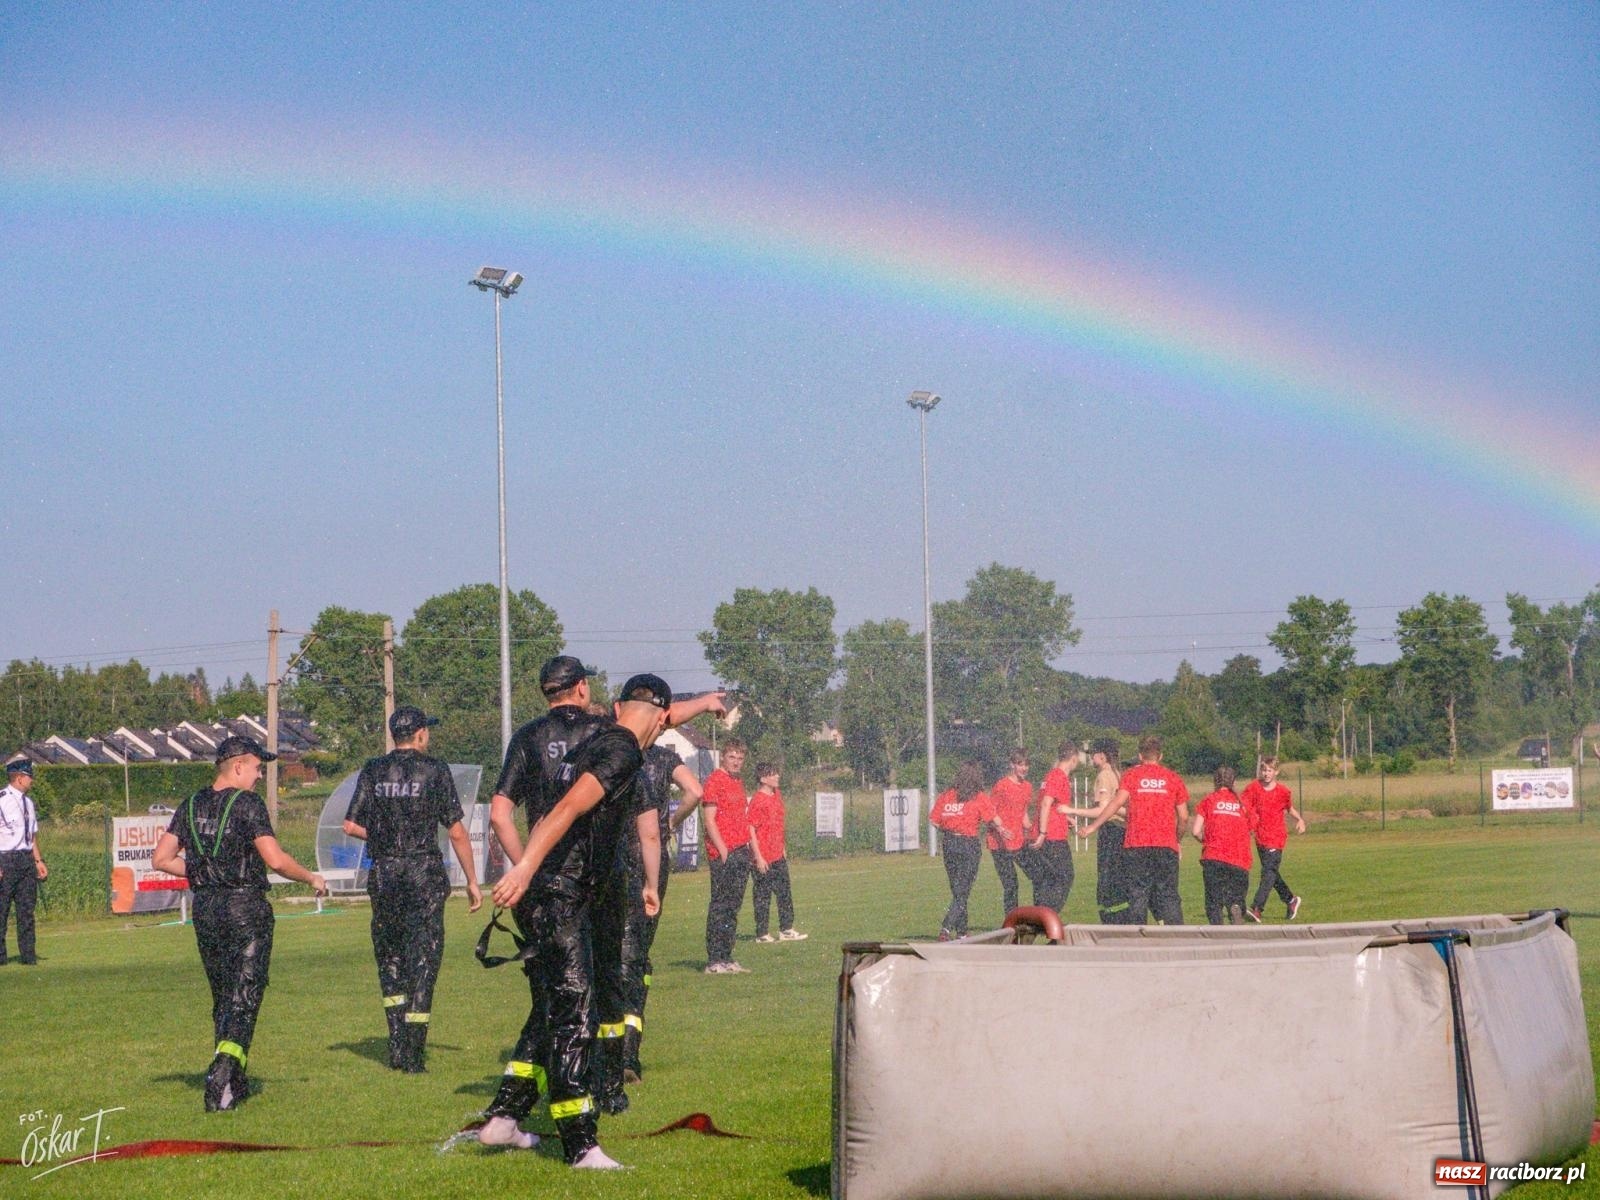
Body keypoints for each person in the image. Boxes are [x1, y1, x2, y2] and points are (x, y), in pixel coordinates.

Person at [479, 663, 722, 1166]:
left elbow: (517, 811)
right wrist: (525, 868)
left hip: (561, 890)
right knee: (575, 1010)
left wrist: (528, 865)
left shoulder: (568, 737)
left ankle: (505, 1116)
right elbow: (567, 808)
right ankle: (581, 1144)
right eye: (665, 723)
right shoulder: (618, 747)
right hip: (563, 892)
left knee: (552, 1004)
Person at [151, 736, 327, 1111]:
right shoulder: (247, 804)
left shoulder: (191, 804)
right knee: (245, 995)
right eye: (258, 768)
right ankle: (222, 1071)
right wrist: (311, 877)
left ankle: (235, 1081)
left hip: (206, 910)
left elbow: (161, 858)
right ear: (237, 767)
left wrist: (202, 872)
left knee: (223, 998)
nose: (260, 776)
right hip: (244, 908)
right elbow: (275, 860)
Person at [341, 705, 483, 1072]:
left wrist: (385, 838)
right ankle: (415, 1054)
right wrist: (471, 880)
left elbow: (350, 825)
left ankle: (396, 1048)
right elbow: (455, 830)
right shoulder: (435, 770)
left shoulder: (373, 770)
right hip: (423, 870)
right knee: (425, 955)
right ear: (419, 734)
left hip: (386, 872)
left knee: (390, 955)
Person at [620, 742, 703, 1083]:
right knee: (639, 954)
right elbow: (695, 791)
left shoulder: (613, 750)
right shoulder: (664, 757)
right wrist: (671, 819)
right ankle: (629, 1053)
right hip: (652, 861)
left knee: (610, 952)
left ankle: (606, 1050)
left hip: (615, 858)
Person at [1080, 734, 1188, 925]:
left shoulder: (1131, 776)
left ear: (1140, 756)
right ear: (1160, 756)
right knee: (1168, 894)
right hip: (1165, 845)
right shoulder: (1173, 778)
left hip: (1137, 845)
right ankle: (1178, 939)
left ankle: (1137, 940)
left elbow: (1114, 804)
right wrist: (1177, 840)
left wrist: (1093, 827)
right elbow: (1184, 817)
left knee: (1138, 894)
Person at [701, 738, 767, 974]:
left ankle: (727, 956)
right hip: (724, 852)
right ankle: (714, 959)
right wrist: (722, 850)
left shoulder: (737, 781)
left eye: (740, 758)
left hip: (741, 849)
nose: (736, 762)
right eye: (732, 757)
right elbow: (709, 819)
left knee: (733, 907)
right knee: (720, 905)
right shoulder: (714, 781)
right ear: (723, 757)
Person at [929, 762, 1000, 939]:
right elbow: (993, 818)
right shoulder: (978, 796)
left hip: (949, 843)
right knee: (963, 890)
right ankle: (946, 928)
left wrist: (950, 826)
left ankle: (962, 932)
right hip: (969, 845)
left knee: (958, 890)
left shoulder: (947, 795)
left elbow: (934, 821)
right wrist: (1004, 829)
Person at [1073, 739, 1132, 924]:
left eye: (1093, 754)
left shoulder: (1104, 775)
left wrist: (1072, 810)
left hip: (1111, 830)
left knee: (1107, 877)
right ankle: (1120, 915)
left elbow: (1103, 809)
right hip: (1121, 830)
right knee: (1118, 875)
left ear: (1102, 756)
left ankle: (1111, 919)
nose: (1091, 758)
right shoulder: (1117, 773)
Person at [1242, 756, 1305, 921]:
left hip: (1276, 838)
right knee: (1272, 874)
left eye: (1269, 770)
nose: (1266, 773)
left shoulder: (1283, 792)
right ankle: (1291, 900)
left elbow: (1289, 808)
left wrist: (1300, 819)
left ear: (1276, 772)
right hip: (1260, 837)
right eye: (1264, 770)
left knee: (1268, 873)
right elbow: (1244, 806)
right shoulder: (1253, 788)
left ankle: (1256, 908)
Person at [748, 761, 804, 943]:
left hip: (777, 854)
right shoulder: (758, 800)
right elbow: (751, 829)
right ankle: (762, 933)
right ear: (763, 779)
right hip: (763, 856)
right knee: (762, 896)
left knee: (784, 893)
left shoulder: (776, 795)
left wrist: (783, 847)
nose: (777, 776)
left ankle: (786, 929)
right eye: (773, 774)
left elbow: (778, 824)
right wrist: (758, 857)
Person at [1191, 765, 1255, 925]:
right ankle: (1236, 906)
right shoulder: (1243, 803)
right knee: (1236, 895)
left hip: (1214, 856)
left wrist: (1207, 841)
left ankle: (1217, 932)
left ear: (1215, 781)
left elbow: (1195, 831)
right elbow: (1251, 830)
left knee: (1213, 901)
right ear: (1233, 781)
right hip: (1239, 859)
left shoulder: (1208, 800)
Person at [0, 758, 46, 965]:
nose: (32, 781)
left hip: (26, 859)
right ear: (19, 778)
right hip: (6, 859)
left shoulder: (29, 803)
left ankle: (28, 956)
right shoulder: (2, 800)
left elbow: (32, 836)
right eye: (29, 777)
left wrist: (38, 860)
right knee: (2, 910)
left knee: (26, 910)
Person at [1031, 742, 1083, 912]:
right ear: (1073, 759)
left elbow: (1052, 806)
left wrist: (1067, 818)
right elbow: (1046, 803)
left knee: (1049, 879)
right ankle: (1046, 917)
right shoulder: (1058, 776)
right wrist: (1043, 833)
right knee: (1065, 877)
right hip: (1052, 837)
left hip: (1051, 834)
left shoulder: (1051, 775)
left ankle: (1039, 917)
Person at [986, 748, 1036, 919]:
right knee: (1011, 884)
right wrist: (1000, 828)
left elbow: (1023, 814)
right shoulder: (1001, 786)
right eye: (1020, 764)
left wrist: (1034, 828)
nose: (1024, 768)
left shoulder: (1028, 787)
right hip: (999, 844)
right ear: (1012, 765)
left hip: (1019, 842)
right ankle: (1011, 921)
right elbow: (989, 812)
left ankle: (1040, 914)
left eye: (1026, 765)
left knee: (1038, 875)